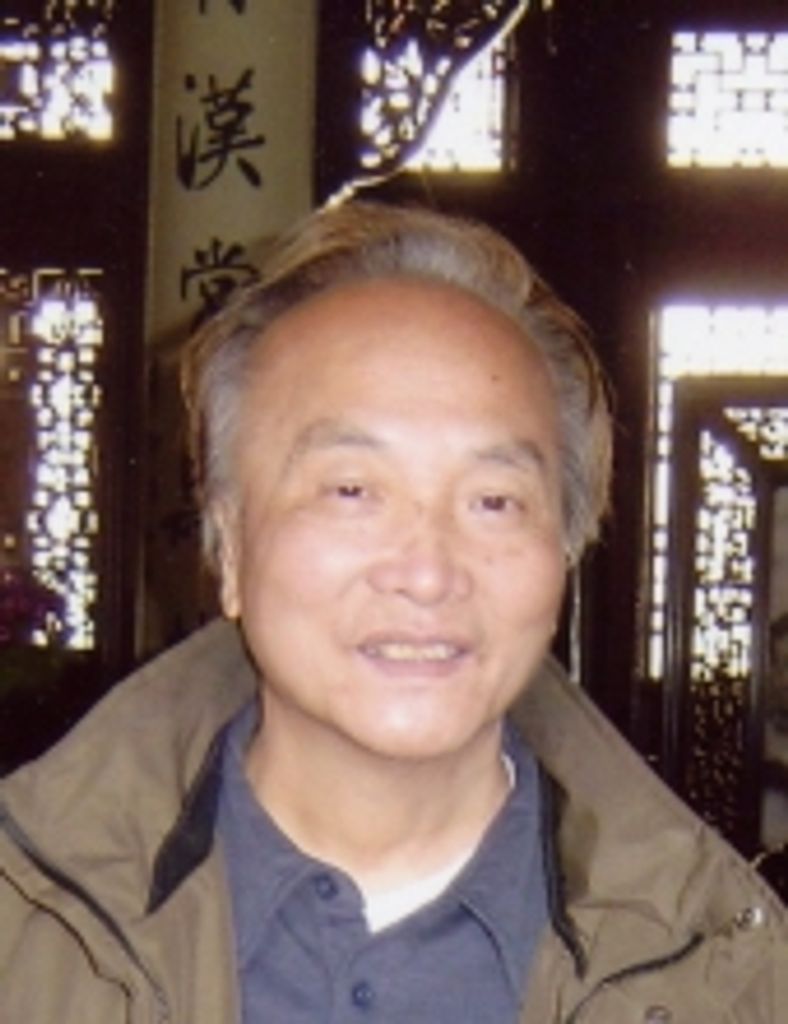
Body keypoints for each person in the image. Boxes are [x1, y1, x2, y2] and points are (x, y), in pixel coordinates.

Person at [1, 201, 785, 1023]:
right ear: (229, 548)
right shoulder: (30, 933)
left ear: (565, 549)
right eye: (351, 491)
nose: (427, 572)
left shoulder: (729, 982)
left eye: (493, 501)